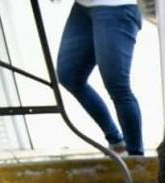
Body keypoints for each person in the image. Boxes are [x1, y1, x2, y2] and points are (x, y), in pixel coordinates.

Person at [56, 0, 144, 156]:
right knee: (68, 75)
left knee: (117, 86)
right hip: (83, 7)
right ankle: (117, 142)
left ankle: (136, 158)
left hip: (115, 7)